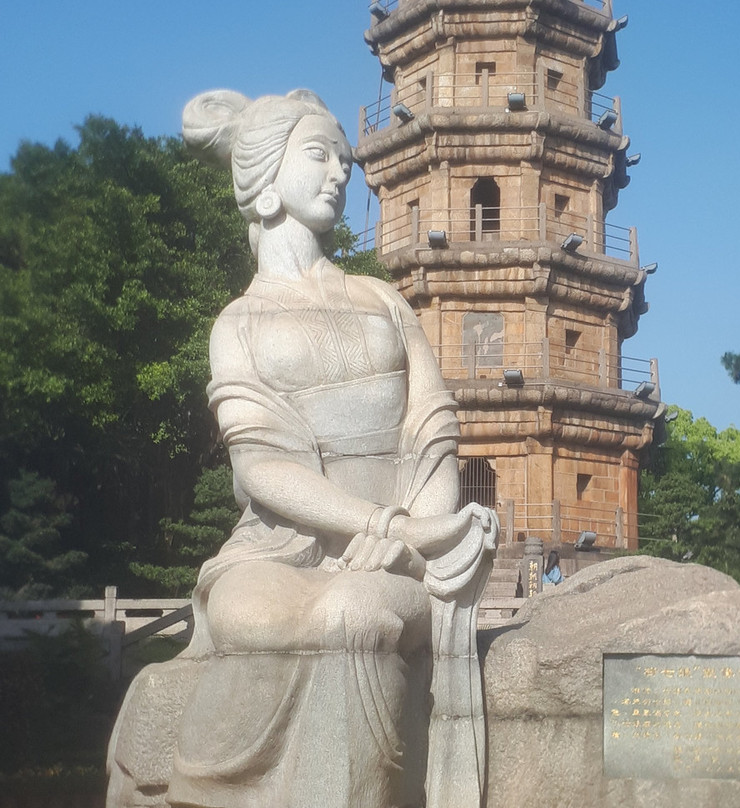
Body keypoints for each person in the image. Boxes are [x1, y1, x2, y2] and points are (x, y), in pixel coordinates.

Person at [110, 90, 497, 808]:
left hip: (399, 558)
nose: (341, 173)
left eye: (344, 160)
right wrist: (380, 523)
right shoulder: (239, 323)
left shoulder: (385, 302)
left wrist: (414, 539)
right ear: (264, 176)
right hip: (276, 551)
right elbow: (262, 466)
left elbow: (431, 437)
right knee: (257, 617)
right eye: (319, 155)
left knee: (356, 613)